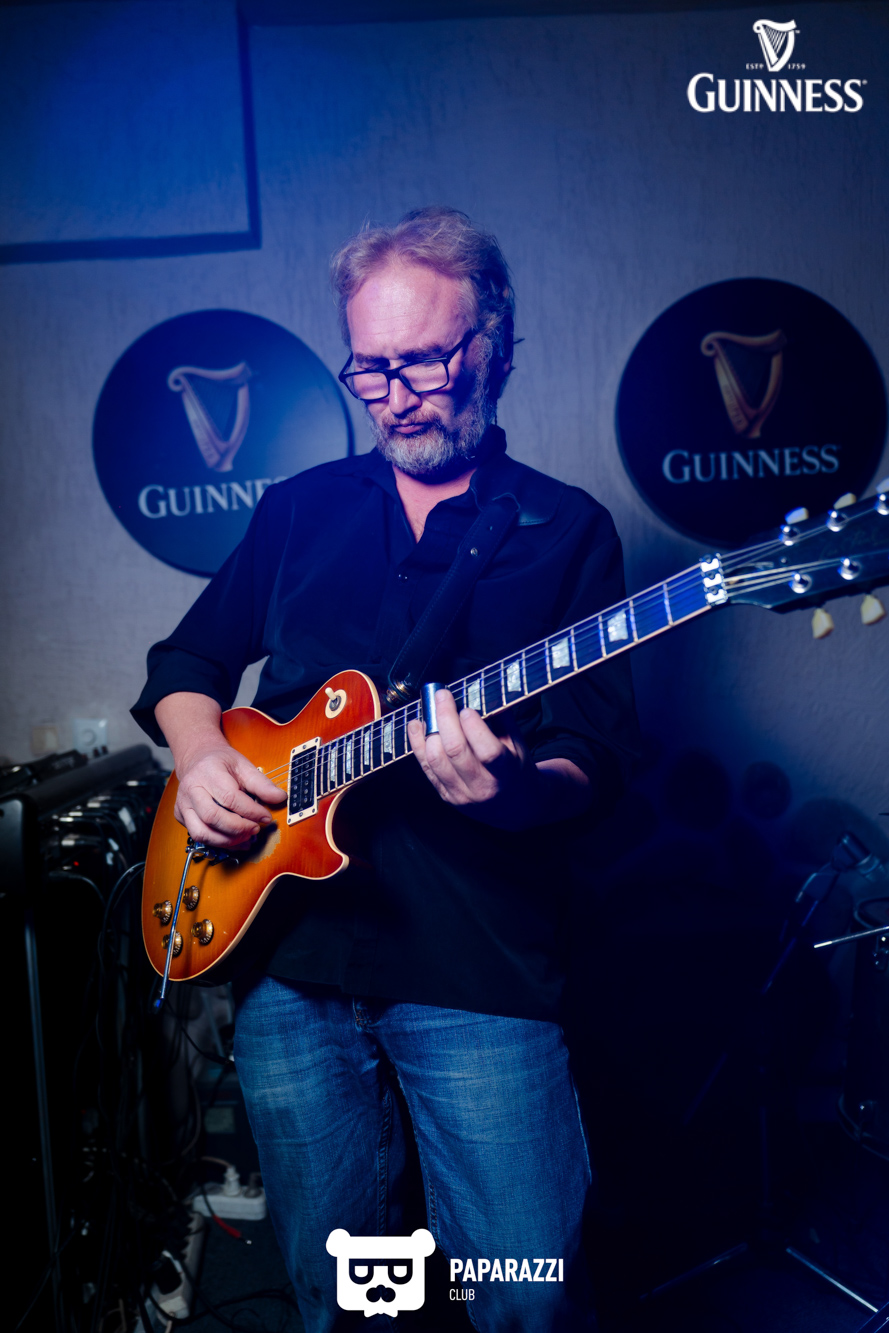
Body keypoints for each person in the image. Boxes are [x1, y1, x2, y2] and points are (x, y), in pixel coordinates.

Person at [133, 206, 639, 1331]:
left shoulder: (565, 530)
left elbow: (595, 755)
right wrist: (202, 752)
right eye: (370, 366)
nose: (394, 394)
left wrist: (516, 790)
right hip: (288, 958)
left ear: (493, 347)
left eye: (424, 361)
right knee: (341, 1300)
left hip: (477, 963)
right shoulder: (298, 510)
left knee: (525, 1294)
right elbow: (186, 663)